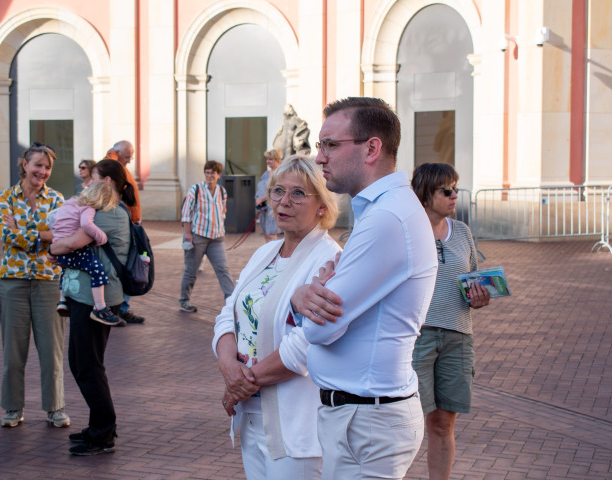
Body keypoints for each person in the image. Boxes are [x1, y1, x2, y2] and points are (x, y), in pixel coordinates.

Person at [290, 97, 438, 479]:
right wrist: (306, 293)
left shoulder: (387, 217)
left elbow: (321, 328)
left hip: (368, 421)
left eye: (330, 145)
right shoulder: (381, 209)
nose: (319, 157)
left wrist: (308, 297)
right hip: (362, 417)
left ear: (372, 148)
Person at [213, 155, 340, 479]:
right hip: (252, 413)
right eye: (277, 191)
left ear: (322, 206)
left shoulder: (330, 260)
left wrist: (242, 383)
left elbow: (307, 345)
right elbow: (229, 313)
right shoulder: (264, 253)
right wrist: (230, 369)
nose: (284, 202)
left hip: (297, 423)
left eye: (298, 194)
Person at [50, 159, 136, 456]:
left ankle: (104, 433)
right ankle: (100, 426)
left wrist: (50, 247)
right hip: (84, 296)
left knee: (88, 366)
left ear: (108, 182)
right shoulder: (102, 210)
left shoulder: (109, 214)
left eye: (92, 179)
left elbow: (68, 244)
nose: (86, 184)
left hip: (95, 299)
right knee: (82, 363)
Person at [411, 163, 490, 480]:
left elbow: (468, 281)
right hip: (417, 337)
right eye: (447, 190)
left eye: (456, 188)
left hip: (458, 337)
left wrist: (478, 297)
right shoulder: (407, 232)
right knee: (407, 420)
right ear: (426, 194)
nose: (455, 195)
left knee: (443, 423)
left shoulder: (462, 232)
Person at [0, 143, 70, 429]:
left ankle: (55, 408)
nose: (43, 171)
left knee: (51, 351)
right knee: (13, 352)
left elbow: (63, 235)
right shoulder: (5, 198)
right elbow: (6, 236)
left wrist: (24, 233)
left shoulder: (57, 199)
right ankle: (13, 408)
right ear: (24, 164)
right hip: (12, 282)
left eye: (48, 167)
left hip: (48, 282)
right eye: (38, 164)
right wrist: (44, 236)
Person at [52, 182, 122, 326]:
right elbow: (86, 225)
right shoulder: (88, 208)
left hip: (60, 249)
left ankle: (63, 301)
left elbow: (52, 218)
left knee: (65, 270)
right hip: (73, 251)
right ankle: (100, 308)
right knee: (97, 270)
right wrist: (101, 237)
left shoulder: (69, 202)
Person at [179, 160, 235, 313]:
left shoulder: (222, 191)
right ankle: (184, 301)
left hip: (216, 238)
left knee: (223, 269)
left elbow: (222, 212)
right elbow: (186, 214)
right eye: (207, 172)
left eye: (213, 173)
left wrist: (221, 230)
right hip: (198, 236)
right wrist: (188, 234)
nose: (209, 175)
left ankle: (232, 301)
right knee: (191, 271)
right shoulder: (195, 190)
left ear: (218, 175)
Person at [103, 140, 144, 325]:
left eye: (131, 157)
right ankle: (117, 308)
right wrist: (113, 152)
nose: (129, 160)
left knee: (130, 265)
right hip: (122, 225)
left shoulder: (120, 166)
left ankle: (122, 307)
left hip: (130, 223)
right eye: (127, 156)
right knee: (123, 266)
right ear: (117, 152)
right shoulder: (112, 163)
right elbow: (105, 162)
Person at [254, 148, 283, 242]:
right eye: (267, 159)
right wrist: (258, 199)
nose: (268, 161)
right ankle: (268, 255)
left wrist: (261, 199)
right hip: (263, 209)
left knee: (271, 234)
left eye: (270, 159)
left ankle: (274, 255)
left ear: (277, 159)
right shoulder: (266, 173)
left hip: (272, 208)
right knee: (266, 234)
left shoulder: (279, 173)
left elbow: (277, 190)